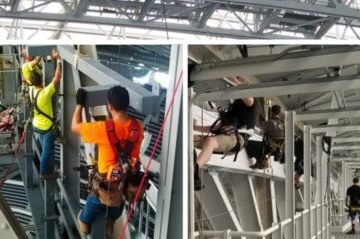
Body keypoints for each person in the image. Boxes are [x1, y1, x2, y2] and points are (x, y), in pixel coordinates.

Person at [71, 86, 144, 236]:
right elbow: (125, 137)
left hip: (106, 180)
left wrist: (79, 104)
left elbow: (74, 127)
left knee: (95, 200)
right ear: (127, 104)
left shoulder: (103, 129)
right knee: (118, 202)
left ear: (110, 107)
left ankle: (84, 223)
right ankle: (110, 222)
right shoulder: (138, 127)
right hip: (126, 177)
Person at [193, 89, 256, 191]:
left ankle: (195, 168)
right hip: (223, 136)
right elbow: (215, 128)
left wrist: (235, 80)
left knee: (210, 141)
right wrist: (196, 128)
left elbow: (248, 99)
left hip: (235, 139)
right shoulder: (230, 113)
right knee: (191, 139)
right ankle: (192, 168)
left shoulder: (249, 108)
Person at [29, 49, 61, 179]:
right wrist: (58, 60)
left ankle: (47, 166)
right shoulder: (44, 94)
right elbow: (57, 77)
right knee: (48, 152)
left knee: (44, 148)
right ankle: (45, 173)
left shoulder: (31, 90)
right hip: (46, 127)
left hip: (37, 125)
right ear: (41, 81)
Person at [249, 105, 284, 169]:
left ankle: (260, 161)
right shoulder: (283, 124)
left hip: (268, 147)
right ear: (279, 113)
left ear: (272, 112)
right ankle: (263, 160)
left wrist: (264, 124)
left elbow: (261, 133)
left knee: (248, 143)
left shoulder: (269, 122)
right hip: (277, 150)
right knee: (260, 146)